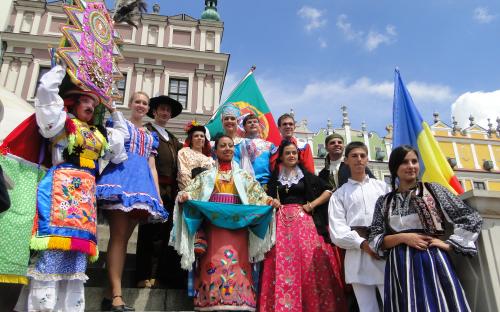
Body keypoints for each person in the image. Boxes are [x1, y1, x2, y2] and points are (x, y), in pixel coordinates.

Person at [14, 65, 127, 312]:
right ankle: (42, 307)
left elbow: (119, 150)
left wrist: (114, 110)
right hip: (59, 190)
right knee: (53, 250)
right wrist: (63, 68)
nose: (90, 105)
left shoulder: (99, 133)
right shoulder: (61, 123)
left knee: (77, 256)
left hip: (86, 196)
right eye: (85, 100)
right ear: (73, 102)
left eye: (93, 102)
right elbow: (45, 92)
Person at [369, 145, 482, 311]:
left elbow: (470, 217)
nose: (411, 166)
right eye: (405, 162)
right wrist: (404, 238)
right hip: (399, 264)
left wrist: (449, 244)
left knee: (437, 302)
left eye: (414, 161)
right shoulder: (384, 201)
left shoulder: (433, 190)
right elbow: (375, 238)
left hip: (431, 259)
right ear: (395, 168)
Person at [174, 134, 279, 311]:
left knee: (239, 263)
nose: (228, 149)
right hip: (212, 228)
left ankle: (240, 300)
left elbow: (258, 196)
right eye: (223, 146)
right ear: (215, 150)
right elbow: (191, 192)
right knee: (212, 261)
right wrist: (185, 196)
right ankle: (211, 301)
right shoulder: (206, 176)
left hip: (239, 229)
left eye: (230, 146)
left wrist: (269, 202)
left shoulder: (244, 177)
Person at [96, 91, 168, 311]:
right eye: (137, 101)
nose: (141, 105)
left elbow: (152, 166)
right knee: (117, 237)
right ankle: (117, 295)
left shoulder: (150, 135)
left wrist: (156, 194)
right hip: (120, 179)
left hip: (142, 186)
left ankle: (110, 294)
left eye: (144, 103)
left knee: (124, 239)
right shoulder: (119, 124)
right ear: (131, 104)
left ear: (148, 109)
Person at [258, 140, 347, 312]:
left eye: (294, 153)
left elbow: (328, 190)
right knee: (279, 261)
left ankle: (311, 304)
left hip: (305, 224)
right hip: (281, 224)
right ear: (281, 157)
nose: (292, 155)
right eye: (288, 153)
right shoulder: (274, 179)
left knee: (307, 262)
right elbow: (263, 197)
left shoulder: (306, 176)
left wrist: (312, 205)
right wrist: (272, 200)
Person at [328, 141, 389, 312]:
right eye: (354, 156)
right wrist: (363, 244)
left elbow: (392, 219)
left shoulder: (383, 187)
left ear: (368, 160)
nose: (359, 160)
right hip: (357, 255)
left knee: (391, 303)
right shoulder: (339, 194)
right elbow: (337, 230)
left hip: (383, 251)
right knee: (367, 308)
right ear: (346, 160)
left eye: (362, 156)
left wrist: (380, 243)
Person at [134, 95, 185, 289]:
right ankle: (142, 274)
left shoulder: (172, 138)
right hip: (152, 186)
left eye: (168, 111)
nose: (165, 113)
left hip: (170, 191)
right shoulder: (147, 130)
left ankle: (156, 275)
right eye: (162, 109)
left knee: (164, 233)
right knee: (148, 232)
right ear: (154, 111)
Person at [234, 113, 275, 186]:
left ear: (259, 125)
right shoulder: (238, 144)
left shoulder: (270, 145)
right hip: (245, 183)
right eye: (249, 122)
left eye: (255, 122)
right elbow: (235, 164)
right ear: (244, 127)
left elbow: (274, 165)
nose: (252, 123)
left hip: (266, 183)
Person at [177, 120, 214, 191]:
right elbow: (183, 174)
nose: (199, 138)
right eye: (196, 136)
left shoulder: (209, 159)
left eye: (202, 136)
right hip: (189, 193)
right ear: (191, 139)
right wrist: (191, 193)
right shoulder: (184, 152)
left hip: (206, 194)